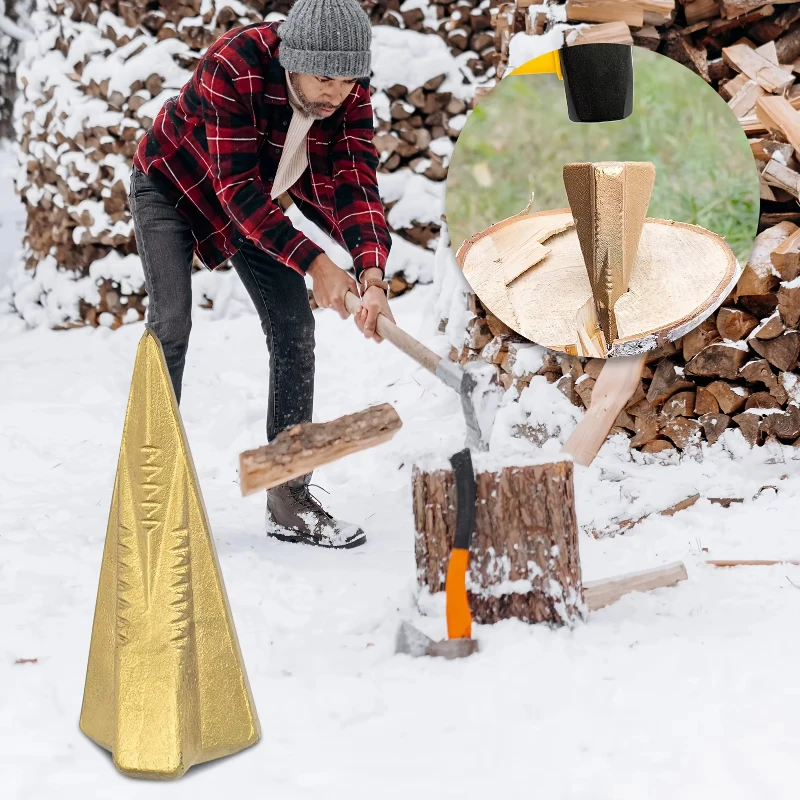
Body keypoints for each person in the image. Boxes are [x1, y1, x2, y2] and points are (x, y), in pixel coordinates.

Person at [129, 0, 393, 549]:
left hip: (258, 204)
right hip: (175, 186)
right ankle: (149, 497)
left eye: (349, 81)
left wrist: (371, 273)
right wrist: (317, 263)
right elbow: (236, 189)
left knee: (296, 331)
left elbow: (356, 180)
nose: (337, 92)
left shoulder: (347, 92)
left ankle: (288, 497)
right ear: (294, 59)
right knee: (172, 324)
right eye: (324, 78)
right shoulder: (235, 62)